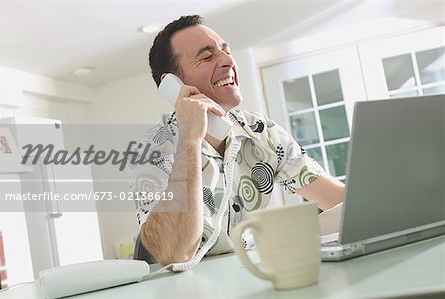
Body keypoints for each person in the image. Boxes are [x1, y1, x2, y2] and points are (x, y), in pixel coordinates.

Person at [130, 15, 344, 268]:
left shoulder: (261, 132)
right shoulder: (152, 149)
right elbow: (173, 253)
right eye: (207, 57)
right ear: (174, 84)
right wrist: (190, 140)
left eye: (226, 51)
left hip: (250, 272)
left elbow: (340, 200)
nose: (228, 61)